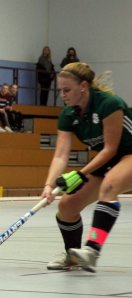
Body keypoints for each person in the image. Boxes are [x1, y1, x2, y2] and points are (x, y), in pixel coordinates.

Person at [41, 62, 132, 273]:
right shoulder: (68, 115)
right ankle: (73, 256)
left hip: (126, 154)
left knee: (109, 187)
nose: (62, 95)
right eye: (60, 90)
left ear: (83, 86)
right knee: (67, 206)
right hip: (108, 161)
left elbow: (111, 148)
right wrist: (48, 185)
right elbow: (61, 155)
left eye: (67, 90)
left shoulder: (109, 104)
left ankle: (91, 251)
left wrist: (81, 174)